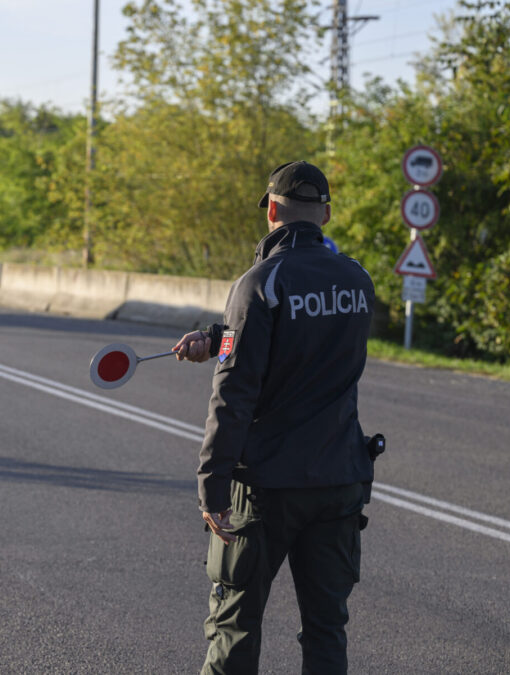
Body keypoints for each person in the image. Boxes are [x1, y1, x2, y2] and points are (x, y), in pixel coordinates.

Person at [172, 161, 376, 674]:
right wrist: (219, 336)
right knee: (327, 630)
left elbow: (234, 394)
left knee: (235, 627)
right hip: (340, 481)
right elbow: (307, 340)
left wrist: (211, 486)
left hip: (266, 488)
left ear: (270, 210)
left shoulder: (260, 281)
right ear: (326, 214)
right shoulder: (358, 279)